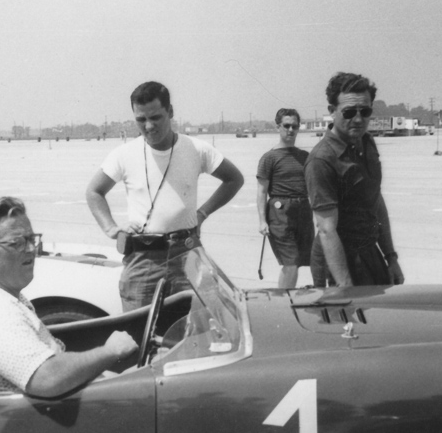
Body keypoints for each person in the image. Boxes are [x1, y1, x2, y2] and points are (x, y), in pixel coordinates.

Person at [0, 197, 138, 397]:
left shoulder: (2, 297)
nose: (31, 249)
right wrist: (110, 351)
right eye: (17, 243)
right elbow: (46, 379)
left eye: (31, 239)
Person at [86, 81, 244, 311]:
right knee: (138, 331)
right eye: (141, 120)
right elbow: (94, 191)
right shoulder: (123, 155)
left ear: (170, 112)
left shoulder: (196, 149)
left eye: (156, 117)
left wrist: (203, 213)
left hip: (188, 252)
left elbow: (234, 179)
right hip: (143, 258)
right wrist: (111, 228)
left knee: (197, 329)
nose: (149, 126)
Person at [305, 72, 405, 287]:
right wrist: (346, 287)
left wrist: (391, 258)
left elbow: (375, 200)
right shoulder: (322, 160)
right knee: (348, 318)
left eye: (365, 111)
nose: (358, 119)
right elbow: (326, 230)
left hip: (369, 252)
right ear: (332, 112)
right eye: (349, 112)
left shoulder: (367, 143)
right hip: (336, 261)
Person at [256, 108, 314, 288]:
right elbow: (261, 191)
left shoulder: (305, 156)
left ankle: (288, 298)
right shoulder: (269, 158)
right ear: (278, 127)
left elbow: (314, 187)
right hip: (280, 213)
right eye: (286, 126)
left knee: (302, 261)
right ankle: (283, 302)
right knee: (290, 264)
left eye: (295, 126)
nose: (291, 130)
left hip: (303, 211)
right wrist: (262, 221)